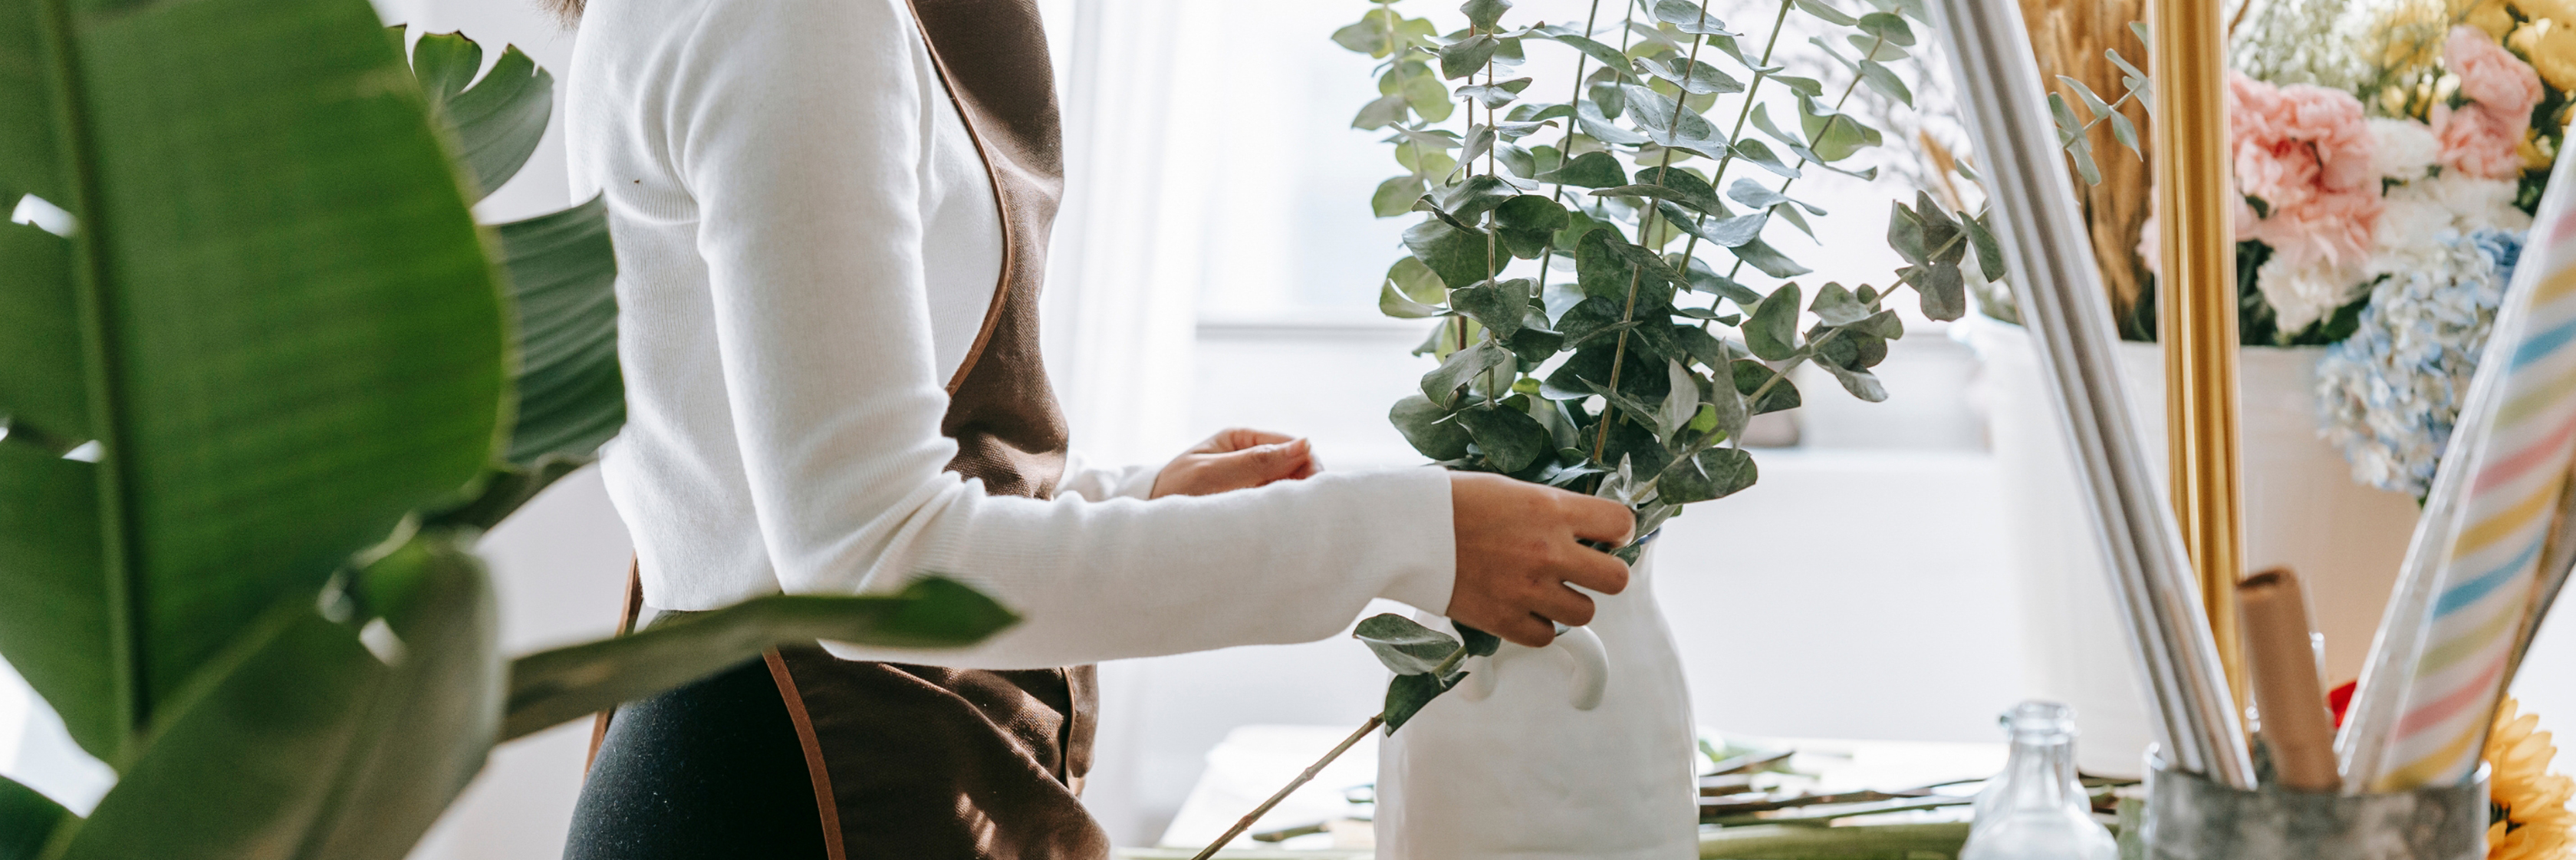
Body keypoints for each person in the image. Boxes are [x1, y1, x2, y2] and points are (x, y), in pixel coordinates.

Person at [554, 0, 1635, 857]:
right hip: (797, 795)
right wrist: (1410, 537)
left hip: (776, 759)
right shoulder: (792, 17)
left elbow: (784, 506)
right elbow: (874, 566)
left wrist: (1134, 501)